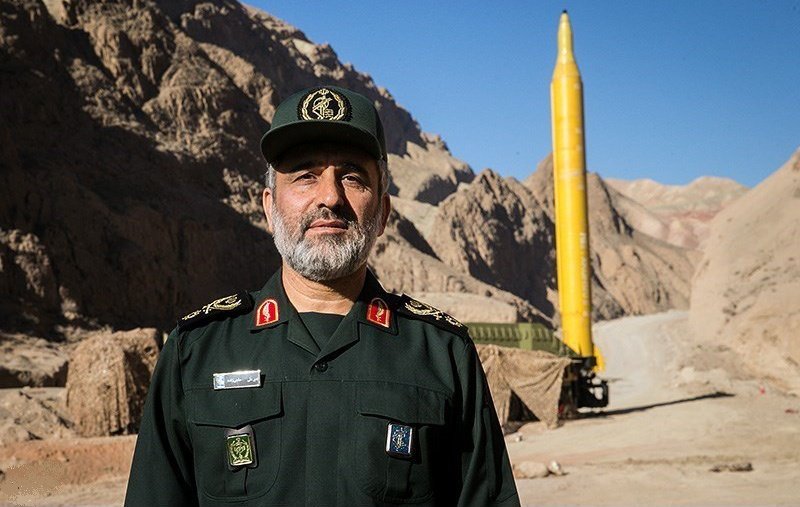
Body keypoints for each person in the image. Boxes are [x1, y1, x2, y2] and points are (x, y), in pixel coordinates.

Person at [125, 86, 520, 507]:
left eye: (352, 177)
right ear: (269, 207)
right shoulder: (195, 353)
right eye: (305, 175)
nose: (330, 197)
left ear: (383, 213)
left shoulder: (442, 355)